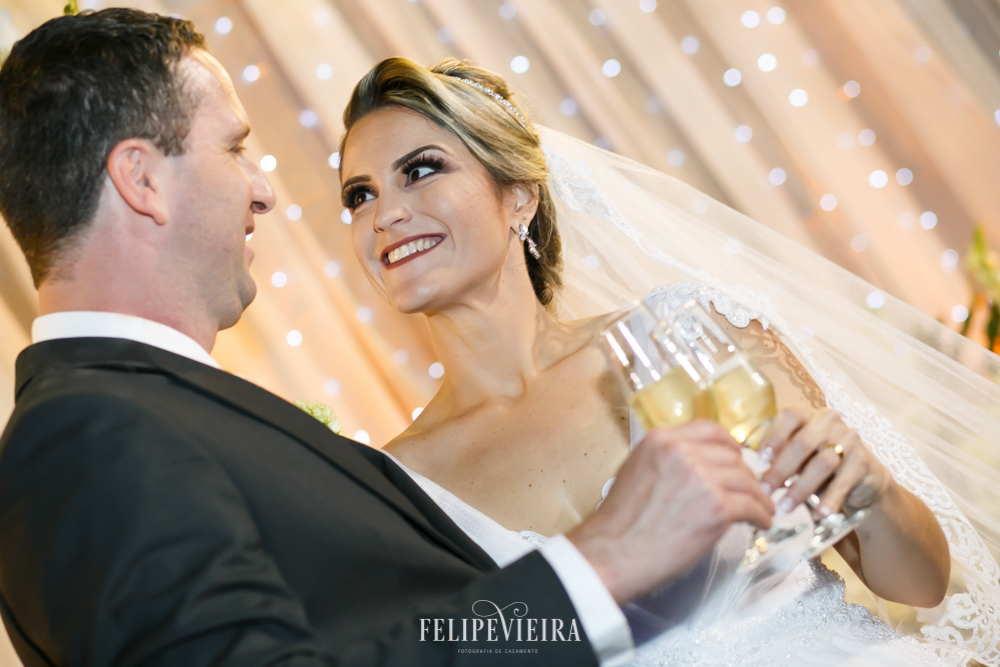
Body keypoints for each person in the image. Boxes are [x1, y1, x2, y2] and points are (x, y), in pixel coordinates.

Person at [0, 10, 783, 667]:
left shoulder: (169, 411)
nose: (265, 191)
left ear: (519, 195)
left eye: (421, 171)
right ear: (141, 179)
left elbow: (415, 629)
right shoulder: (83, 434)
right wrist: (601, 561)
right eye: (235, 148)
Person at [338, 56, 1000, 666]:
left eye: (419, 171)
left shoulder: (692, 335)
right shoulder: (395, 490)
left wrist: (873, 495)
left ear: (519, 195)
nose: (384, 214)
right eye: (359, 195)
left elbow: (920, 584)